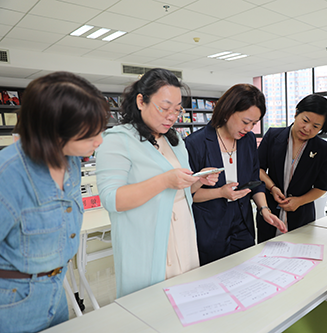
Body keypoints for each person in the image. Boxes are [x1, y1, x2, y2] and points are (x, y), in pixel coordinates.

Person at [96, 68, 219, 298]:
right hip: (148, 246)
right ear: (141, 101)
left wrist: (198, 180)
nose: (172, 116)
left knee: (188, 303)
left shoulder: (175, 141)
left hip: (184, 237)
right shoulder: (118, 140)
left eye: (177, 110)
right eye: (164, 108)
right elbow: (112, 199)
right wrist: (164, 180)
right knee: (152, 312)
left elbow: (181, 193)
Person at [0, 72, 108, 332]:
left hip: (57, 292)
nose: (99, 141)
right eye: (88, 136)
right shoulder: (8, 176)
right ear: (52, 134)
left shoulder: (70, 160)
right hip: (13, 303)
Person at [185, 84, 287, 265]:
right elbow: (187, 195)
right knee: (214, 279)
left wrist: (264, 210)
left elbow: (255, 181)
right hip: (210, 228)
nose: (249, 128)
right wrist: (220, 193)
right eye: (245, 122)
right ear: (227, 112)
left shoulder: (247, 141)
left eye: (254, 124)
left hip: (243, 224)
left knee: (245, 274)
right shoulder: (196, 143)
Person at [257, 94, 327, 242]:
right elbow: (258, 168)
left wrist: (299, 201)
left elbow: (322, 186)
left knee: (299, 258)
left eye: (315, 127)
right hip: (269, 211)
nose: (307, 128)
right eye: (305, 120)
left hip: (302, 215)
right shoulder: (273, 136)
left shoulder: (324, 149)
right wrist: (272, 187)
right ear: (296, 113)